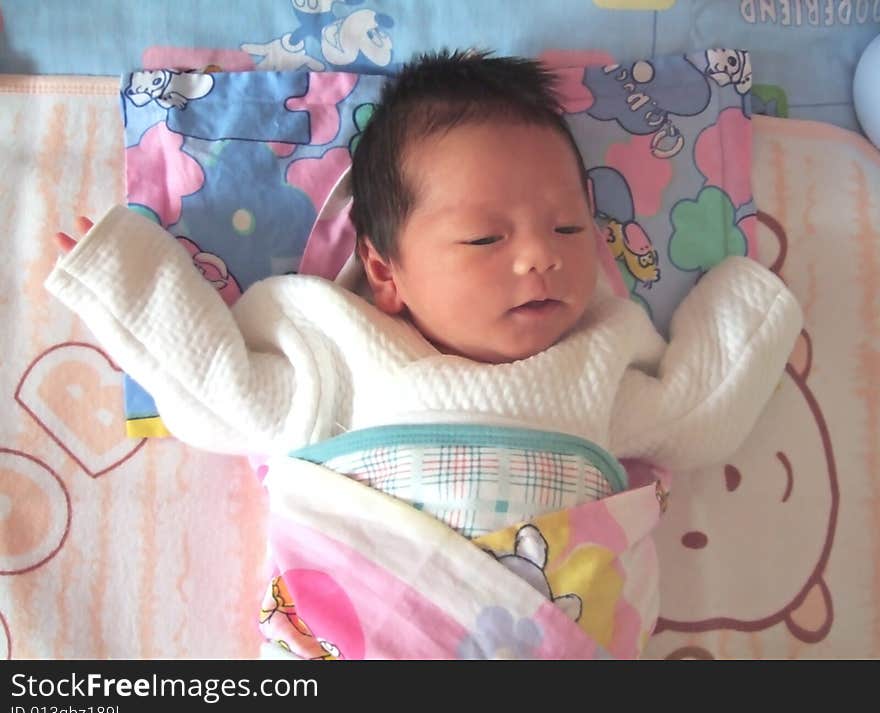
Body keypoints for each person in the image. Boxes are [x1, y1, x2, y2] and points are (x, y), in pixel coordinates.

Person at [48, 50, 802, 539]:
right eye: (484, 239)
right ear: (384, 271)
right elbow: (215, 388)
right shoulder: (342, 362)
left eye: (571, 228)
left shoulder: (596, 364)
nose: (541, 256)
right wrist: (125, 278)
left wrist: (751, 302)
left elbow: (696, 417)